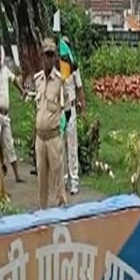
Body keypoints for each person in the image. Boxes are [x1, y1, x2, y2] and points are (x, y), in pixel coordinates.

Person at [33, 38, 66, 209]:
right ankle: (43, 216)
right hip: (40, 139)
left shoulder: (60, 81)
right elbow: (37, 108)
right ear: (42, 56)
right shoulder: (37, 80)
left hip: (54, 138)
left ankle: (61, 216)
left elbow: (66, 108)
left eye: (51, 55)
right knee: (41, 182)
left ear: (55, 58)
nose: (48, 59)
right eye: (46, 55)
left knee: (58, 181)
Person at [0, 41, 24, 183]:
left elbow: (14, 79)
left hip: (6, 113)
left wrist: (22, 91)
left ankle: (17, 175)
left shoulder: (5, 69)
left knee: (9, 143)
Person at [57, 33, 85, 196]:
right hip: (61, 111)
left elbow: (79, 88)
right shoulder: (58, 70)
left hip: (71, 109)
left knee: (72, 146)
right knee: (60, 147)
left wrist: (83, 106)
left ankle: (74, 180)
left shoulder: (74, 70)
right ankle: (64, 178)